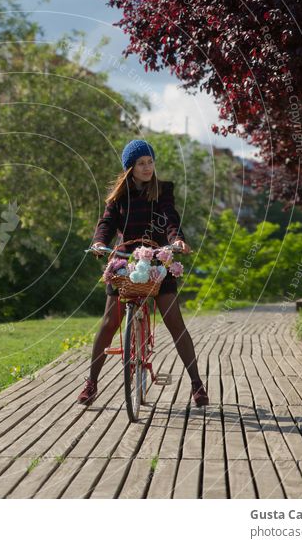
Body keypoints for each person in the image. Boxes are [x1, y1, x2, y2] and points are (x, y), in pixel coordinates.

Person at [78, 139, 209, 407]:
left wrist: (177, 240)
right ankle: (91, 383)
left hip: (158, 259)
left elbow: (170, 219)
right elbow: (106, 223)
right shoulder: (119, 198)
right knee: (108, 323)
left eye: (150, 162)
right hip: (125, 260)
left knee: (175, 324)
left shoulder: (163, 191)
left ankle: (197, 384)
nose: (148, 167)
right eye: (141, 163)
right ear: (130, 167)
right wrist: (99, 242)